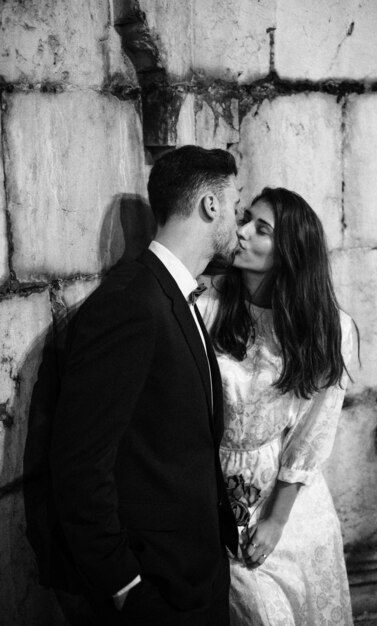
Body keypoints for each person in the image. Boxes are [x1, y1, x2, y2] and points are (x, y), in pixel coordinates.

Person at [50, 145, 240, 625]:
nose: (237, 225)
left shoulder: (175, 294)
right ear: (210, 206)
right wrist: (126, 588)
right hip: (158, 591)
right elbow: (80, 464)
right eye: (235, 207)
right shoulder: (130, 303)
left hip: (200, 574)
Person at [198, 187, 355, 625]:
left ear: (289, 252)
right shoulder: (208, 304)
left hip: (281, 496)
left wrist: (276, 522)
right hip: (211, 486)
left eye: (260, 229)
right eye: (244, 219)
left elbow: (311, 435)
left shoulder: (327, 326)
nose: (241, 232)